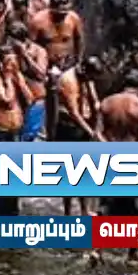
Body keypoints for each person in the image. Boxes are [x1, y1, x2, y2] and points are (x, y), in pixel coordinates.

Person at [98, 69, 138, 264]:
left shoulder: (106, 103)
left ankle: (98, 250)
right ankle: (133, 253)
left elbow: (98, 133)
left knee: (105, 205)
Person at [0, 46, 30, 216]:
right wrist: (9, 79)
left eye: (13, 61)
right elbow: (7, 101)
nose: (12, 65)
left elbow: (29, 98)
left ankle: (12, 211)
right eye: (8, 62)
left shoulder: (14, 76)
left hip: (13, 132)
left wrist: (19, 79)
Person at [56, 56, 103, 216]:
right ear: (83, 70)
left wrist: (96, 114)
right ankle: (68, 211)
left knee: (86, 169)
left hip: (86, 122)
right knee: (70, 171)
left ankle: (85, 209)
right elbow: (73, 112)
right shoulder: (68, 80)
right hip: (69, 126)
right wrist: (92, 133)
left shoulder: (87, 77)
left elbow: (95, 101)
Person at [28, 0, 84, 69]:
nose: (63, 16)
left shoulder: (73, 18)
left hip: (67, 61)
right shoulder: (38, 21)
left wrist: (78, 61)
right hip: (45, 63)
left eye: (65, 13)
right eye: (59, 13)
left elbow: (79, 39)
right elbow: (30, 44)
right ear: (51, 9)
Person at [13, 22, 48, 141]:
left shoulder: (39, 51)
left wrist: (26, 56)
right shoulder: (11, 51)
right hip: (18, 100)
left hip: (36, 98)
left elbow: (41, 74)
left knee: (33, 136)